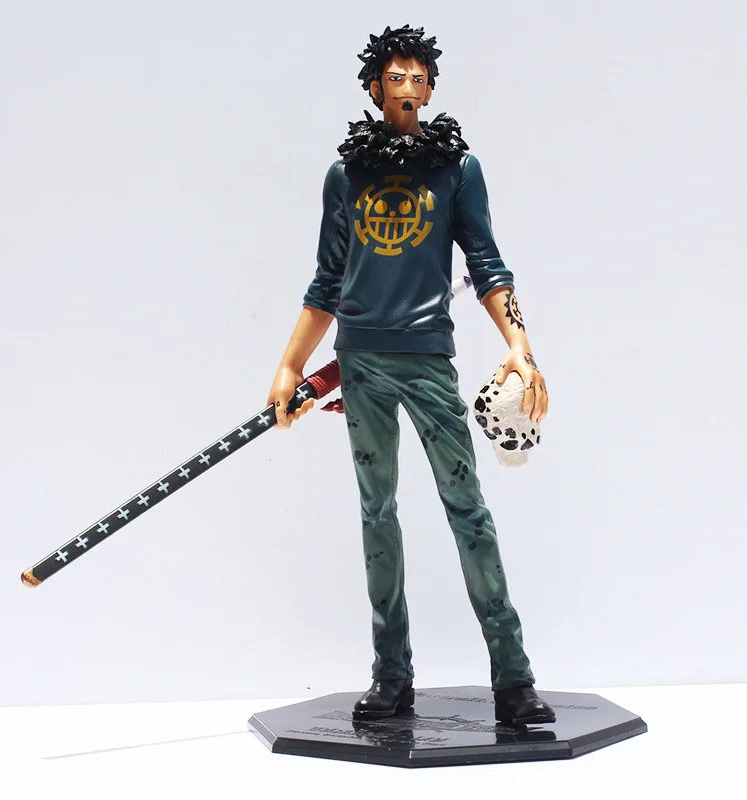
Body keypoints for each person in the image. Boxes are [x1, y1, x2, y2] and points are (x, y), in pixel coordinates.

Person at [267, 25, 554, 725]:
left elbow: (486, 263)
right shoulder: (345, 176)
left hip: (428, 361)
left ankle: (513, 677)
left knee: (468, 508)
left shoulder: (457, 170)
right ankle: (391, 675)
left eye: (418, 78)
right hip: (360, 364)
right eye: (396, 77)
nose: (408, 88)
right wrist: (291, 364)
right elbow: (327, 280)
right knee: (377, 514)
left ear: (431, 88)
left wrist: (520, 343)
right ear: (374, 88)